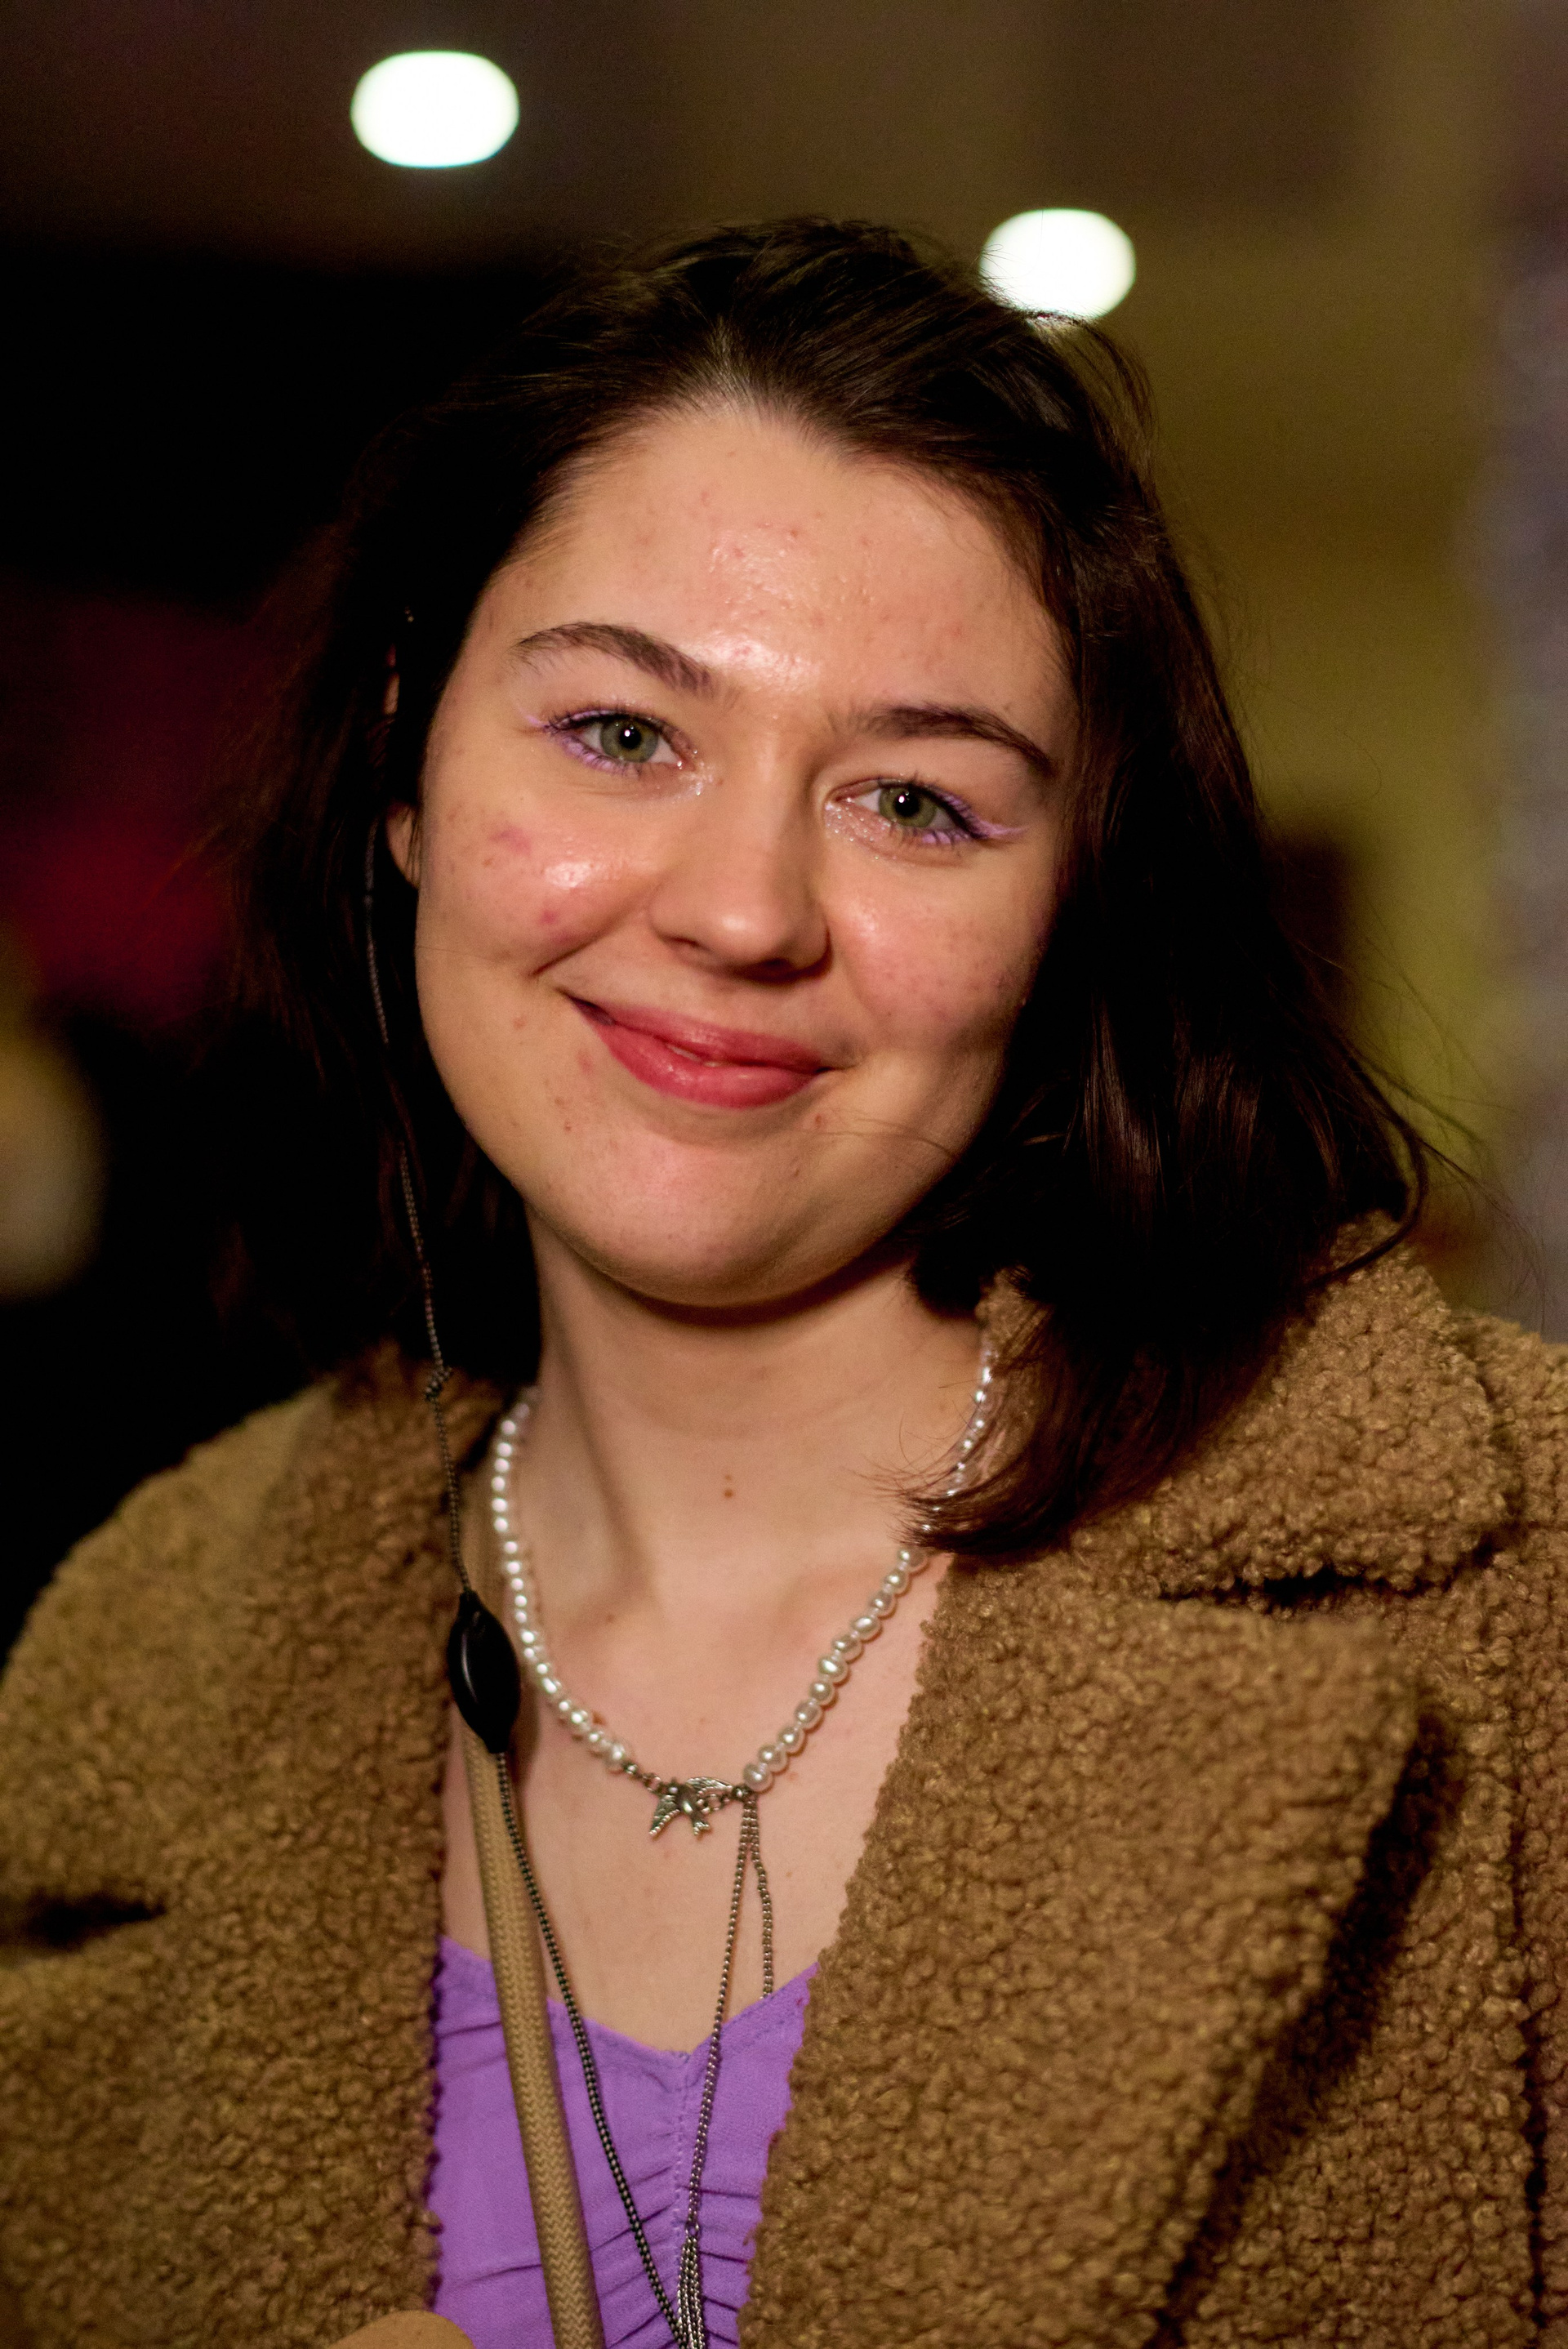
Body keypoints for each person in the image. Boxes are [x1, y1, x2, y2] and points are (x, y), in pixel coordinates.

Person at [2, 217, 1566, 2349]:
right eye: (621, 733)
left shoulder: (1516, 1599)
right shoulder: (139, 1659)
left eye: (916, 800)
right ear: (405, 766)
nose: (745, 909)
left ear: (1076, 906)